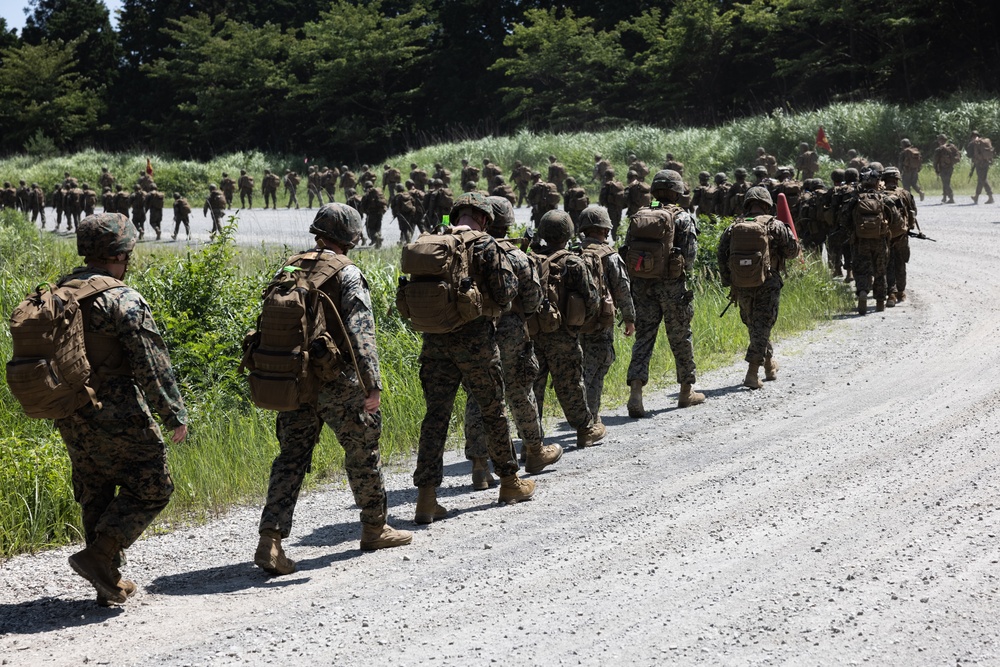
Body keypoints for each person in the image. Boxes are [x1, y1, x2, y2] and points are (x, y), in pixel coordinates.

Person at [254, 203, 412, 575]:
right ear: (352, 236)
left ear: (318, 232)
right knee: (363, 450)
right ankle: (375, 528)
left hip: (295, 380)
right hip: (338, 382)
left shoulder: (288, 268)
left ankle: (270, 540)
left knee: (291, 458)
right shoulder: (348, 273)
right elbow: (362, 334)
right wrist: (372, 385)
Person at [55, 213, 188, 605]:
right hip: (118, 412)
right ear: (121, 253)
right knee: (154, 486)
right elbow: (151, 362)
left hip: (70, 411)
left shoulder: (60, 292)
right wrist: (173, 414)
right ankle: (98, 557)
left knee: (95, 487)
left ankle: (107, 579)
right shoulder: (121, 298)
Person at [409, 193, 535, 522]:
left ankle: (426, 499)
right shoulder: (484, 244)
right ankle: (509, 482)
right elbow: (506, 291)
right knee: (493, 411)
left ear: (456, 214)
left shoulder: (433, 240)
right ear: (485, 219)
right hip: (476, 340)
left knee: (435, 417)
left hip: (434, 341)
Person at [463, 197, 561, 489]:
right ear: (506, 222)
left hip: (474, 335)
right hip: (511, 334)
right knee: (520, 391)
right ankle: (533, 451)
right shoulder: (516, 256)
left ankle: (479, 467)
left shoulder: (465, 253)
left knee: (478, 396)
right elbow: (533, 300)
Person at [624, 170, 706, 416]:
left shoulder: (640, 215)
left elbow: (628, 250)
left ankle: (636, 394)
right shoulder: (683, 218)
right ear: (677, 192)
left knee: (644, 339)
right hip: (672, 287)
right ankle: (685, 391)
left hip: (642, 287)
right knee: (680, 338)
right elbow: (689, 258)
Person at [529, 210, 605, 447]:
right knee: (571, 383)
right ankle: (584, 431)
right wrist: (577, 325)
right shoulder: (573, 262)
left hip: (533, 335)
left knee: (534, 388)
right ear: (568, 233)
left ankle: (532, 441)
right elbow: (592, 299)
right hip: (564, 335)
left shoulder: (530, 259)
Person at [716, 187, 800, 389]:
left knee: (756, 325)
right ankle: (752, 373)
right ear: (766, 204)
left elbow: (721, 254)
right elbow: (792, 251)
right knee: (762, 325)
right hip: (768, 282)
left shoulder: (733, 226)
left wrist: (730, 281)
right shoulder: (775, 225)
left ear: (747, 204)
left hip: (741, 284)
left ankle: (770, 365)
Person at [578, 205, 635, 423]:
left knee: (580, 368)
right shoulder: (610, 256)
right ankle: (591, 418)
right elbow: (622, 290)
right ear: (605, 230)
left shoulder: (573, 252)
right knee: (597, 368)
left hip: (573, 323)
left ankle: (584, 414)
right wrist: (629, 319)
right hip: (601, 322)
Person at [847, 164, 893, 314]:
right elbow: (894, 217)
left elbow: (843, 219)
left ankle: (863, 292)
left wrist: (853, 230)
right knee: (880, 271)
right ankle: (880, 302)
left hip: (860, 241)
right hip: (880, 240)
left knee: (861, 270)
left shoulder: (854, 199)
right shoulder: (883, 198)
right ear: (876, 181)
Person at [881, 166, 915, 307]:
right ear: (897, 179)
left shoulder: (878, 194)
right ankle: (900, 292)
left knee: (887, 264)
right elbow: (912, 212)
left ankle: (891, 294)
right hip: (901, 234)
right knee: (900, 262)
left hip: (883, 236)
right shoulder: (905, 193)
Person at [932, 133, 961, 204]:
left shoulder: (939, 149)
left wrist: (936, 169)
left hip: (943, 168)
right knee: (946, 182)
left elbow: (935, 161)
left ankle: (951, 198)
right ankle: (944, 197)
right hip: (950, 167)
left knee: (945, 183)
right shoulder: (951, 147)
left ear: (939, 141)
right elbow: (958, 155)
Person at [967, 131, 995, 204]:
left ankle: (989, 196)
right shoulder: (983, 142)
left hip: (980, 164)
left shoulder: (975, 143)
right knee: (982, 180)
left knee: (982, 180)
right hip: (986, 162)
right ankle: (979, 196)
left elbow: (969, 154)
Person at [598, 168, 626, 238]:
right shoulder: (619, 184)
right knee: (618, 221)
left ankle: (615, 238)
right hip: (619, 206)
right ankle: (620, 236)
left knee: (612, 222)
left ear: (606, 176)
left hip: (611, 206)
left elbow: (603, 196)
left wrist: (602, 203)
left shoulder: (607, 185)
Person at [360, 181, 387, 248]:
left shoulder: (367, 194)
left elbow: (362, 205)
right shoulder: (378, 192)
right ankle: (377, 241)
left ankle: (376, 238)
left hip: (371, 213)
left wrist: (365, 212)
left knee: (370, 228)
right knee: (378, 227)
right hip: (380, 213)